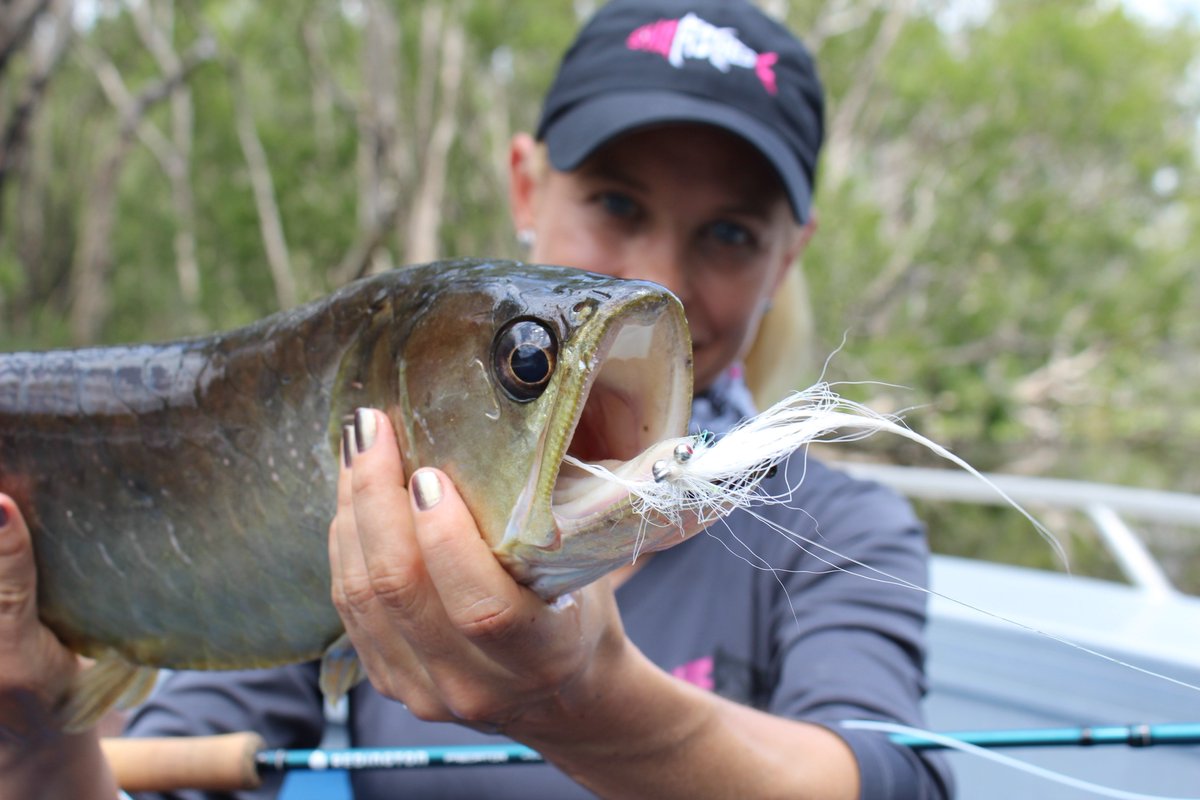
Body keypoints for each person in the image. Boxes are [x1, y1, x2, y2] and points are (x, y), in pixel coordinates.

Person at [0, 1, 953, 797]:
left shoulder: (844, 528)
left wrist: (586, 698)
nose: (662, 279)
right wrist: (38, 736)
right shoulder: (354, 498)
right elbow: (172, 762)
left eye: (732, 234)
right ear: (524, 187)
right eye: (618, 205)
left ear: (791, 256)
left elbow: (884, 777)